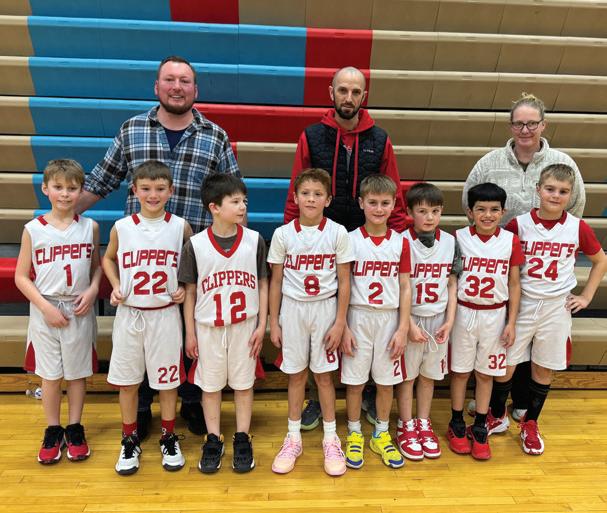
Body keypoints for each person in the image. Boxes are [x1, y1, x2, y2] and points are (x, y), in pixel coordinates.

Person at [77, 55, 240, 438]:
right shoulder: (132, 129)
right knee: (143, 334)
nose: (177, 87)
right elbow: (101, 180)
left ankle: (193, 400)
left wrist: (237, 248)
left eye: (184, 81)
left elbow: (232, 192)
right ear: (157, 86)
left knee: (191, 331)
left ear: (195, 89)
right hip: (141, 258)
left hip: (193, 254)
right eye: (170, 79)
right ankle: (143, 405)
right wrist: (63, 214)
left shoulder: (215, 135)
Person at [284, 66, 407, 429]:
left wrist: (398, 237)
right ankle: (315, 396)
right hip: (321, 238)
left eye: (355, 91)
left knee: (357, 318)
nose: (348, 97)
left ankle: (366, 389)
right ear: (331, 93)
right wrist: (291, 233)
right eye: (343, 90)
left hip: (366, 237)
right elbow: (297, 187)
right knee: (324, 322)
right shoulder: (311, 136)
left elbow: (393, 190)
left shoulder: (380, 138)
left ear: (364, 96)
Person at [463, 93, 586, 422]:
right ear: (510, 126)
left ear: (543, 125)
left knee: (535, 343)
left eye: (532, 123)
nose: (525, 129)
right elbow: (469, 201)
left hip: (543, 272)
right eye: (519, 123)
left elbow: (576, 208)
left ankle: (522, 403)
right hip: (498, 265)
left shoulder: (562, 163)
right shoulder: (489, 163)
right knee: (505, 337)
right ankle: (494, 407)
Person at [486, 164, 606, 455]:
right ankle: (497, 414)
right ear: (538, 189)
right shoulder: (518, 224)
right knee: (506, 364)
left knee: (543, 367)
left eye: (563, 191)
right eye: (550, 189)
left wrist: (586, 296)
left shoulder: (577, 227)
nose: (555, 195)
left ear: (571, 195)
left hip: (555, 307)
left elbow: (600, 260)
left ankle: (530, 423)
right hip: (523, 302)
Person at [102, 161, 193, 475]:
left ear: (171, 190)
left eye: (159, 188)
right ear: (134, 190)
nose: (153, 194)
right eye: (146, 188)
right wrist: (115, 285)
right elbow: (108, 258)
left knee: (168, 383)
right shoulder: (122, 227)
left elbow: (191, 265)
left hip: (165, 315)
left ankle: (168, 436)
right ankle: (129, 439)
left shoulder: (180, 226)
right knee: (128, 383)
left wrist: (183, 286)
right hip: (130, 314)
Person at [180, 174, 269, 474]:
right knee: (210, 386)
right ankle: (213, 438)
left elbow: (263, 284)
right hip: (208, 328)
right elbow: (190, 292)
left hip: (245, 327)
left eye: (244, 201)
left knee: (244, 385)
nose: (243, 206)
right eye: (235, 201)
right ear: (214, 207)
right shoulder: (195, 245)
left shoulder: (255, 240)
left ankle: (242, 437)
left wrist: (262, 325)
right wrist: (190, 333)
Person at [268, 168, 354, 476]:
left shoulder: (338, 233)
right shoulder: (282, 234)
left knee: (324, 378)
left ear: (328, 200)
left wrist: (340, 322)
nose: (311, 199)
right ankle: (293, 438)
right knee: (296, 376)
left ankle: (331, 438)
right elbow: (276, 281)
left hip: (325, 310)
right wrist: (274, 321)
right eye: (305, 193)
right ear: (295, 197)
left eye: (318, 194)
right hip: (293, 310)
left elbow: (345, 281)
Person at [16, 159, 102, 465]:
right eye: (58, 187)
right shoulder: (33, 229)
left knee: (77, 374)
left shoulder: (90, 227)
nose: (65, 193)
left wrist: (93, 290)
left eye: (72, 188)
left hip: (78, 307)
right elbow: (21, 276)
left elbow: (96, 269)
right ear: (45, 189)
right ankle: (53, 430)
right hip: (46, 308)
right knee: (50, 376)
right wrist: (44, 307)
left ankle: (75, 428)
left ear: (80, 191)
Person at [447, 183, 524, 461]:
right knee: (459, 372)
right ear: (470, 212)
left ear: (503, 212)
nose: (487, 215)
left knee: (485, 374)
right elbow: (451, 280)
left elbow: (514, 284)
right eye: (481, 209)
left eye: (494, 210)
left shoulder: (510, 240)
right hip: (464, 312)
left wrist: (511, 322)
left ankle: (480, 424)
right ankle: (457, 422)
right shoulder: (458, 238)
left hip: (495, 314)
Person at [340, 175, 410, 470]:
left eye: (385, 203)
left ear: (394, 205)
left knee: (385, 382)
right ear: (361, 203)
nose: (379, 209)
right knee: (355, 383)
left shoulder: (401, 242)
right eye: (372, 202)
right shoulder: (349, 239)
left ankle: (381, 433)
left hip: (388, 318)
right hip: (357, 316)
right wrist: (343, 325)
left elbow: (405, 286)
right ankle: (355, 433)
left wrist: (403, 327)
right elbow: (342, 285)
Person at [395, 183, 459, 461]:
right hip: (410, 318)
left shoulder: (451, 242)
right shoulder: (400, 241)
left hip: (438, 318)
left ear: (441, 211)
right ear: (409, 213)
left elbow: (452, 285)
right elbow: (397, 288)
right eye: (422, 211)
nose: (429, 217)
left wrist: (450, 321)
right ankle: (405, 424)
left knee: (428, 376)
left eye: (435, 211)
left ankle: (423, 421)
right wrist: (408, 324)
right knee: (407, 377)